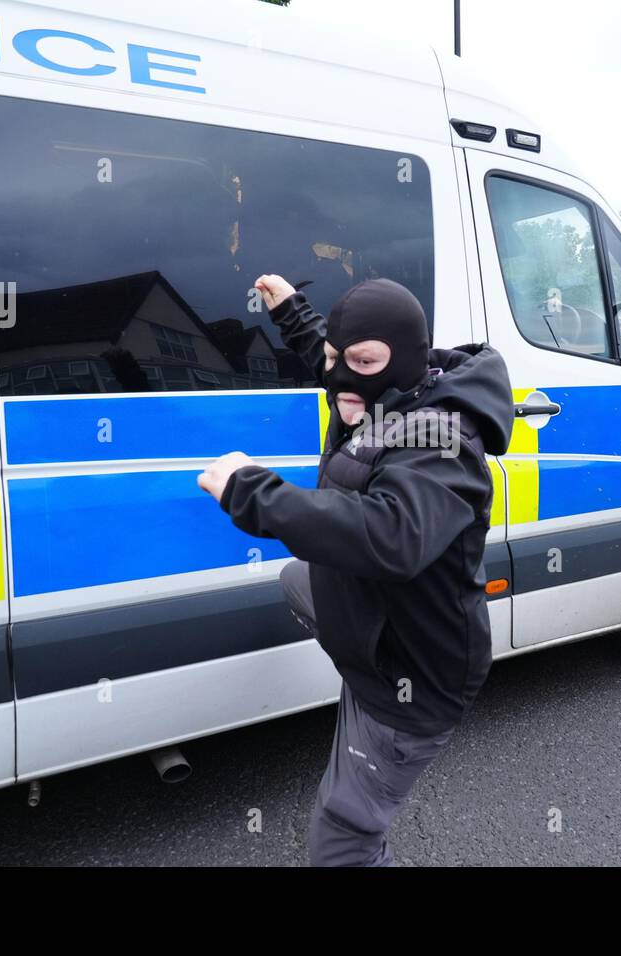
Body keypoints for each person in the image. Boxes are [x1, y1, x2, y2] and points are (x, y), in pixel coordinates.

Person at [197, 274, 515, 863]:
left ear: (406, 363)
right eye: (334, 360)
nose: (340, 378)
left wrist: (253, 492)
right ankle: (358, 654)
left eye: (362, 361)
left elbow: (393, 535)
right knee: (298, 578)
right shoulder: (376, 392)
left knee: (342, 840)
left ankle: (366, 685)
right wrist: (294, 314)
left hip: (414, 679)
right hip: (378, 631)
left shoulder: (441, 439)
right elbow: (342, 359)